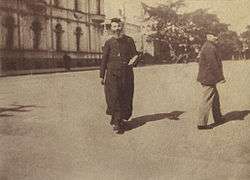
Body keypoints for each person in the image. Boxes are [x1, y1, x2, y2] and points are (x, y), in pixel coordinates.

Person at [100, 18, 138, 134]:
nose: (117, 29)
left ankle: (120, 120)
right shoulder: (109, 42)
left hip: (126, 74)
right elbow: (104, 60)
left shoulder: (129, 41)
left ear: (122, 27)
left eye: (118, 26)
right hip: (112, 75)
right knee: (114, 97)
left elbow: (135, 55)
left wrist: (134, 60)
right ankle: (116, 122)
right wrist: (102, 75)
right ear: (111, 28)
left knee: (125, 97)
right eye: (114, 27)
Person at [197, 33, 225, 130]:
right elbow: (213, 64)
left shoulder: (210, 46)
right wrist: (220, 77)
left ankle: (218, 118)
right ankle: (201, 123)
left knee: (215, 98)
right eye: (214, 36)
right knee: (207, 99)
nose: (216, 37)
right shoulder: (209, 47)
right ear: (208, 36)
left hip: (208, 77)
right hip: (208, 77)